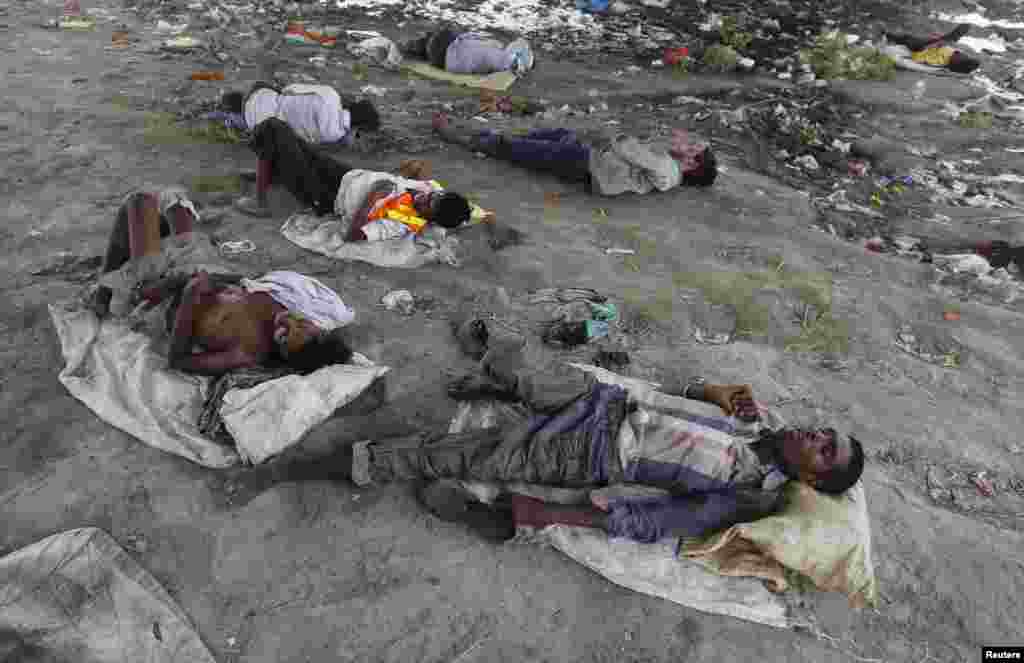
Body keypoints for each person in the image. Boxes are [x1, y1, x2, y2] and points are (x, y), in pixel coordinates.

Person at [235, 340, 865, 544]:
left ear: (811, 479)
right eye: (827, 433)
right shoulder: (758, 424)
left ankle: (311, 467)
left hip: (587, 453)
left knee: (455, 452)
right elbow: (682, 393)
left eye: (824, 450)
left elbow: (665, 520)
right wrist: (715, 388)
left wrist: (564, 513)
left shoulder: (743, 495)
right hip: (606, 403)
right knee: (524, 368)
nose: (816, 436)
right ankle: (493, 387)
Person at [92, 190, 356, 376]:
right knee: (177, 202)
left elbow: (179, 360)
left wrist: (190, 295)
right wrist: (211, 279)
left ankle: (103, 295)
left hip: (160, 296)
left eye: (286, 334)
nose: (288, 320)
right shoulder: (290, 311)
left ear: (284, 354)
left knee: (140, 201)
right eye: (302, 322)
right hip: (199, 267)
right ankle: (152, 241)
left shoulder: (246, 352)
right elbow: (244, 281)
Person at [234, 118, 472, 243]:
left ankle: (261, 199)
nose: (426, 196)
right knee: (289, 141)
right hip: (346, 174)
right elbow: (428, 185)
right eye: (434, 195)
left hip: (325, 196)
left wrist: (375, 197)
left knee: (275, 130)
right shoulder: (431, 193)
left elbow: (352, 236)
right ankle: (273, 171)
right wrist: (411, 175)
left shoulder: (401, 223)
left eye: (428, 204)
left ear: (428, 218)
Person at [432, 113, 717, 195]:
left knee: (525, 149)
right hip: (592, 161)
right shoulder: (667, 168)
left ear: (691, 164)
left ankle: (461, 138)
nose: (686, 144)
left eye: (691, 148)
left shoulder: (667, 169)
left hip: (588, 166)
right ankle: (499, 141)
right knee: (557, 135)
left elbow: (625, 146)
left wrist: (658, 139)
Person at [216, 82, 380, 144]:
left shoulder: (331, 94)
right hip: (257, 123)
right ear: (358, 128)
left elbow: (290, 89)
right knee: (243, 120)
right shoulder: (334, 134)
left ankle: (226, 107)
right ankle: (228, 116)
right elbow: (299, 138)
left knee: (271, 91)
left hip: (261, 96)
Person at [401, 27, 535, 74]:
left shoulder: (496, 53)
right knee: (438, 42)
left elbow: (510, 61)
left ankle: (410, 47)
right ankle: (414, 48)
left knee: (442, 36)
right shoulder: (497, 56)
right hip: (443, 60)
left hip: (443, 48)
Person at [884, 23, 979, 74]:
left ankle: (889, 36)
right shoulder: (959, 58)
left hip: (932, 53)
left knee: (914, 42)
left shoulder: (945, 64)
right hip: (944, 53)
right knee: (913, 40)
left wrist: (935, 44)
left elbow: (922, 60)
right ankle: (946, 39)